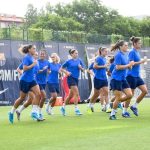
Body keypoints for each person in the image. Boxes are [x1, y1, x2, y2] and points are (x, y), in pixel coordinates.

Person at [8, 45, 41, 123]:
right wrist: (33, 64)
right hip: (25, 80)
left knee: (38, 94)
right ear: (29, 50)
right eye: (33, 49)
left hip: (32, 80)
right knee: (22, 98)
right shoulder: (26, 57)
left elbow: (34, 70)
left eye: (35, 49)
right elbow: (25, 68)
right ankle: (11, 112)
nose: (35, 50)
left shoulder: (33, 58)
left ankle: (34, 112)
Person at [109, 40, 135, 120]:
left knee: (130, 95)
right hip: (116, 79)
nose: (127, 47)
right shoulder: (118, 55)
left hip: (123, 78)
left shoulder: (126, 55)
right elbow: (117, 67)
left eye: (127, 45)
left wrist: (131, 65)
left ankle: (114, 103)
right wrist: (128, 65)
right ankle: (112, 114)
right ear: (120, 47)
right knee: (118, 97)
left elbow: (128, 67)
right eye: (125, 45)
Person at [125, 36, 148, 116]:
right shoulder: (132, 52)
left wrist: (141, 61)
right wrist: (141, 62)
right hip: (131, 76)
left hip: (137, 76)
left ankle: (134, 106)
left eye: (140, 43)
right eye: (139, 43)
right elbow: (131, 63)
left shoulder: (137, 52)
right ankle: (125, 111)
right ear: (134, 44)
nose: (140, 44)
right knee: (130, 95)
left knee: (145, 91)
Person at [60, 49, 85, 116]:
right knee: (76, 93)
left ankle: (63, 107)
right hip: (70, 78)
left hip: (76, 79)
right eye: (75, 53)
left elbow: (83, 70)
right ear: (71, 54)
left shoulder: (79, 61)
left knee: (70, 95)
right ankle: (76, 109)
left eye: (77, 53)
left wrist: (81, 68)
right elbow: (61, 68)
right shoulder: (68, 61)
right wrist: (66, 72)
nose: (76, 54)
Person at [87, 47, 111, 114]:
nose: (107, 53)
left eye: (107, 51)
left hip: (104, 78)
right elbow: (94, 66)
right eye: (105, 51)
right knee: (96, 94)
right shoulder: (98, 58)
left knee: (106, 92)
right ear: (102, 51)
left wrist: (108, 71)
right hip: (98, 78)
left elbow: (105, 68)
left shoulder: (105, 59)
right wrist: (104, 66)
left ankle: (108, 107)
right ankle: (89, 105)